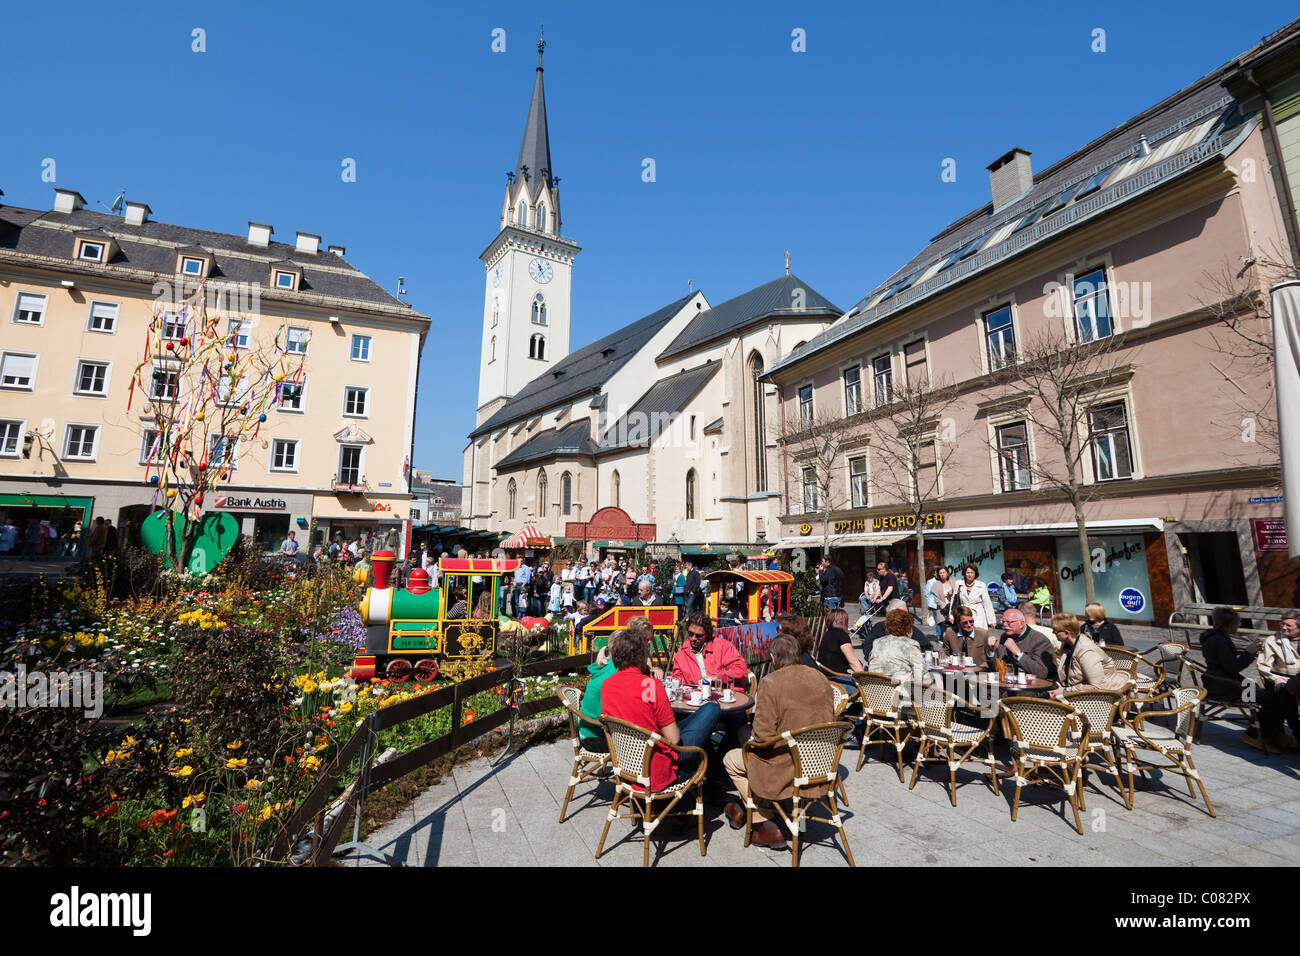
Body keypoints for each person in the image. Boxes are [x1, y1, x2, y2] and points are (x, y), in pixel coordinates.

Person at [722, 634, 833, 851]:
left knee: (731, 759)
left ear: (773, 658)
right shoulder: (820, 678)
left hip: (786, 767)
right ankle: (750, 811)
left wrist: (751, 737)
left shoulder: (771, 682)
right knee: (745, 738)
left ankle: (765, 821)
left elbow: (763, 736)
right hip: (819, 764)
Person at [601, 626, 720, 787]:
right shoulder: (651, 685)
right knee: (711, 709)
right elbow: (674, 739)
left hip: (627, 768)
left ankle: (714, 781)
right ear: (640, 656)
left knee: (689, 720)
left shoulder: (607, 684)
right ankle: (716, 780)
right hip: (660, 772)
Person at [1049, 613, 1131, 696]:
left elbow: (1096, 686)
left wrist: (1066, 690)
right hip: (1078, 692)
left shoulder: (1086, 652)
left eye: (1055, 630)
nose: (1052, 632)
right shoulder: (1067, 644)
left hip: (1102, 697)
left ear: (1067, 632)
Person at [1256, 610, 1300, 750]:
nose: (1284, 627)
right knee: (1285, 696)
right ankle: (1296, 732)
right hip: (1280, 680)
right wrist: (1276, 679)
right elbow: (1263, 666)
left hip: (1298, 680)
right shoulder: (1273, 640)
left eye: (1288, 625)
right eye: (1282, 624)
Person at [671, 612, 748, 687]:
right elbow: (677, 679)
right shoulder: (681, 654)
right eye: (690, 634)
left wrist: (717, 677)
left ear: (707, 634)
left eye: (699, 636)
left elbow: (741, 670)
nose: (693, 638)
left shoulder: (722, 646)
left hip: (724, 693)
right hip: (696, 696)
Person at [868, 607, 926, 692]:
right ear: (908, 628)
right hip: (900, 698)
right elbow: (921, 676)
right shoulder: (911, 644)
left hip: (876, 696)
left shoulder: (877, 643)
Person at [990, 608, 1057, 680]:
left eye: (1009, 622)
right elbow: (996, 668)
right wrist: (991, 651)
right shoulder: (1005, 636)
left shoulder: (1039, 640)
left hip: (1031, 687)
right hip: (1006, 685)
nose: (1005, 625)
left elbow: (1042, 673)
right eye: (1003, 621)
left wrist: (1018, 653)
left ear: (1021, 624)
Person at [577, 637, 618, 754]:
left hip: (587, 732)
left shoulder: (607, 665)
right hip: (596, 737)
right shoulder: (615, 672)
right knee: (643, 744)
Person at [862, 598, 934, 661]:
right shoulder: (879, 628)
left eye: (907, 612)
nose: (906, 616)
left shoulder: (910, 628)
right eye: (902, 613)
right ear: (892, 614)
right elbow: (867, 649)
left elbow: (926, 647)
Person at [817, 607, 864, 687]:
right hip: (838, 680)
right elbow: (853, 661)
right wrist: (865, 679)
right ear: (843, 622)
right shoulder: (842, 636)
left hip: (825, 678)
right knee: (867, 692)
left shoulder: (827, 635)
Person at [950, 563, 996, 631]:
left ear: (975, 574)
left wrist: (992, 620)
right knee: (965, 634)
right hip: (964, 613)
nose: (970, 575)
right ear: (964, 573)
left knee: (979, 635)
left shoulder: (981, 585)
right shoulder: (959, 583)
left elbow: (987, 603)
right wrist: (951, 615)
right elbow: (954, 600)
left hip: (978, 614)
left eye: (972, 573)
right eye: (968, 572)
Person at [925, 566, 954, 644]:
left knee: (953, 626)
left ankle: (953, 642)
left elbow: (958, 593)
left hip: (953, 608)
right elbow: (934, 597)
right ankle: (942, 639)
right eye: (940, 573)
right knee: (943, 625)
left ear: (947, 573)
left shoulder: (953, 582)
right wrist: (944, 606)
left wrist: (952, 592)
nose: (942, 574)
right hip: (941, 608)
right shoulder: (935, 584)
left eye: (943, 572)